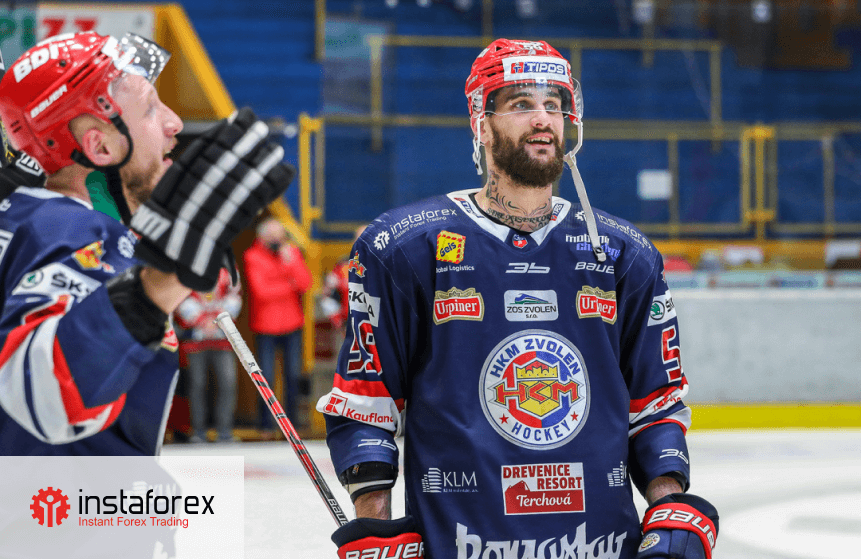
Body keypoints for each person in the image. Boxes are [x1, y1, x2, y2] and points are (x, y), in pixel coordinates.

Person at [317, 39, 718, 559]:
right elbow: (368, 401)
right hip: (459, 545)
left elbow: (655, 403)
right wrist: (376, 526)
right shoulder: (404, 248)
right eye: (521, 104)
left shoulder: (624, 253)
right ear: (482, 124)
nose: (543, 119)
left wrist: (669, 509)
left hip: (600, 545)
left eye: (554, 104)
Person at [0, 32, 292, 455]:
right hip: (64, 498)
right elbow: (40, 396)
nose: (175, 123)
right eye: (151, 108)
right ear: (99, 145)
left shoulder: (31, 221)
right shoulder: (70, 235)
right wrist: (156, 287)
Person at [243, 217, 312, 437]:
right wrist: (288, 284)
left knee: (293, 376)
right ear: (262, 237)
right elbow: (261, 292)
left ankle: (292, 426)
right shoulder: (252, 256)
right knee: (266, 378)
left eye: (279, 234)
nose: (276, 239)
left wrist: (289, 263)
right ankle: (266, 425)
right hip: (265, 326)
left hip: (292, 324)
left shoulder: (292, 253)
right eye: (272, 235)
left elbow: (305, 283)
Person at [174, 268, 242, 443]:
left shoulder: (228, 268)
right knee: (197, 385)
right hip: (194, 339)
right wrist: (201, 320)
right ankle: (198, 432)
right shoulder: (187, 265)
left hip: (224, 338)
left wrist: (216, 321)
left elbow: (235, 296)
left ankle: (225, 432)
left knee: (228, 383)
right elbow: (179, 296)